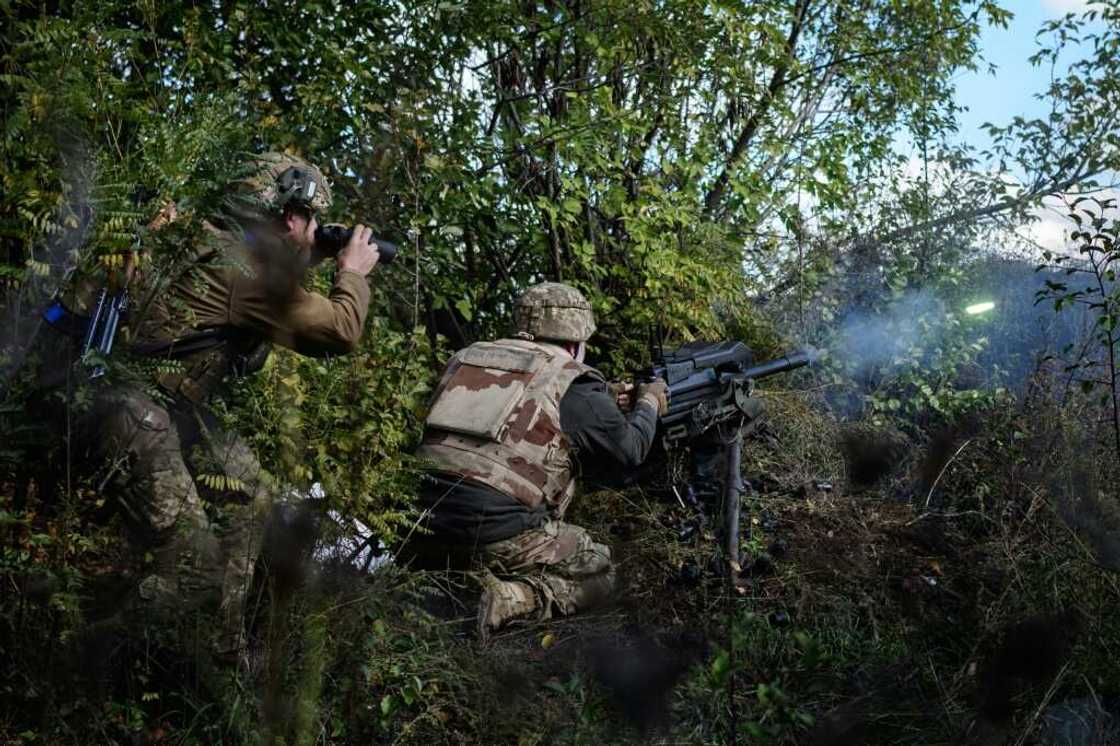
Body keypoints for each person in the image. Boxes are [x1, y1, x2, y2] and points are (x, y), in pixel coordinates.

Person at [87, 152, 382, 665]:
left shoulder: (205, 239)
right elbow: (339, 330)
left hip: (155, 405)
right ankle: (88, 657)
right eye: (311, 220)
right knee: (196, 573)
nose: (316, 231)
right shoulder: (245, 272)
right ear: (289, 216)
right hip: (136, 416)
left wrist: (305, 255)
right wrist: (352, 273)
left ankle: (220, 648)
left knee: (249, 491)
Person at [406, 282, 669, 637]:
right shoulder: (571, 378)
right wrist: (649, 401)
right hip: (492, 531)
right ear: (576, 343)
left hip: (418, 520)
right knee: (600, 568)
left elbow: (520, 403)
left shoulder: (468, 357)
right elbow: (630, 451)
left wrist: (606, 395)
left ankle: (438, 572)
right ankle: (510, 599)